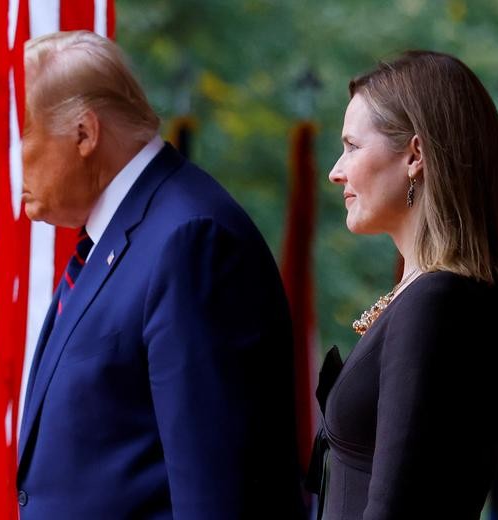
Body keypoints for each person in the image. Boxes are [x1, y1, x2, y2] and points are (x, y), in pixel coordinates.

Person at [17, 30, 303, 519]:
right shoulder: (122, 237)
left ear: (85, 134)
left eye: (20, 134)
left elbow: (214, 497)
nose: (10, 162)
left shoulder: (189, 241)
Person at [310, 50, 498, 519]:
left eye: (351, 146)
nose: (335, 171)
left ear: (415, 155)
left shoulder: (437, 303)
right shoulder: (439, 296)